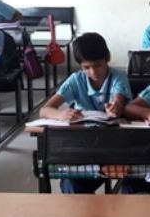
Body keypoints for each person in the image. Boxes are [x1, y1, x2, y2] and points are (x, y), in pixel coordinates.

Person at [39, 32, 132, 194]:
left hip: (114, 147)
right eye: (86, 68)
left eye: (98, 65)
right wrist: (61, 115)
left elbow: (118, 99)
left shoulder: (118, 76)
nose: (93, 72)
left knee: (131, 179)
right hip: (83, 148)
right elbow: (44, 110)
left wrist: (116, 107)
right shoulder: (76, 80)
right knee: (70, 182)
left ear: (107, 58)